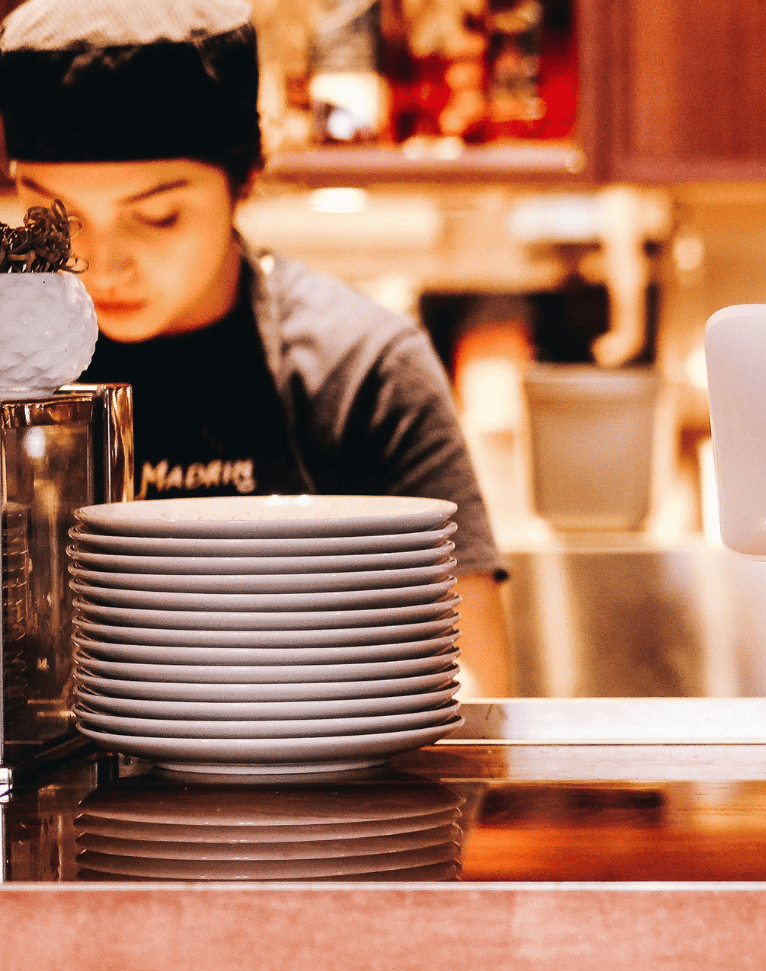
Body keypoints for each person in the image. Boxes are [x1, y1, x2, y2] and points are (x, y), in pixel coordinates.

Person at [0, 0, 513, 694]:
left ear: (244, 180)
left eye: (156, 216)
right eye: (53, 217)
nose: (99, 263)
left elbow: (475, 681)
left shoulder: (363, 368)